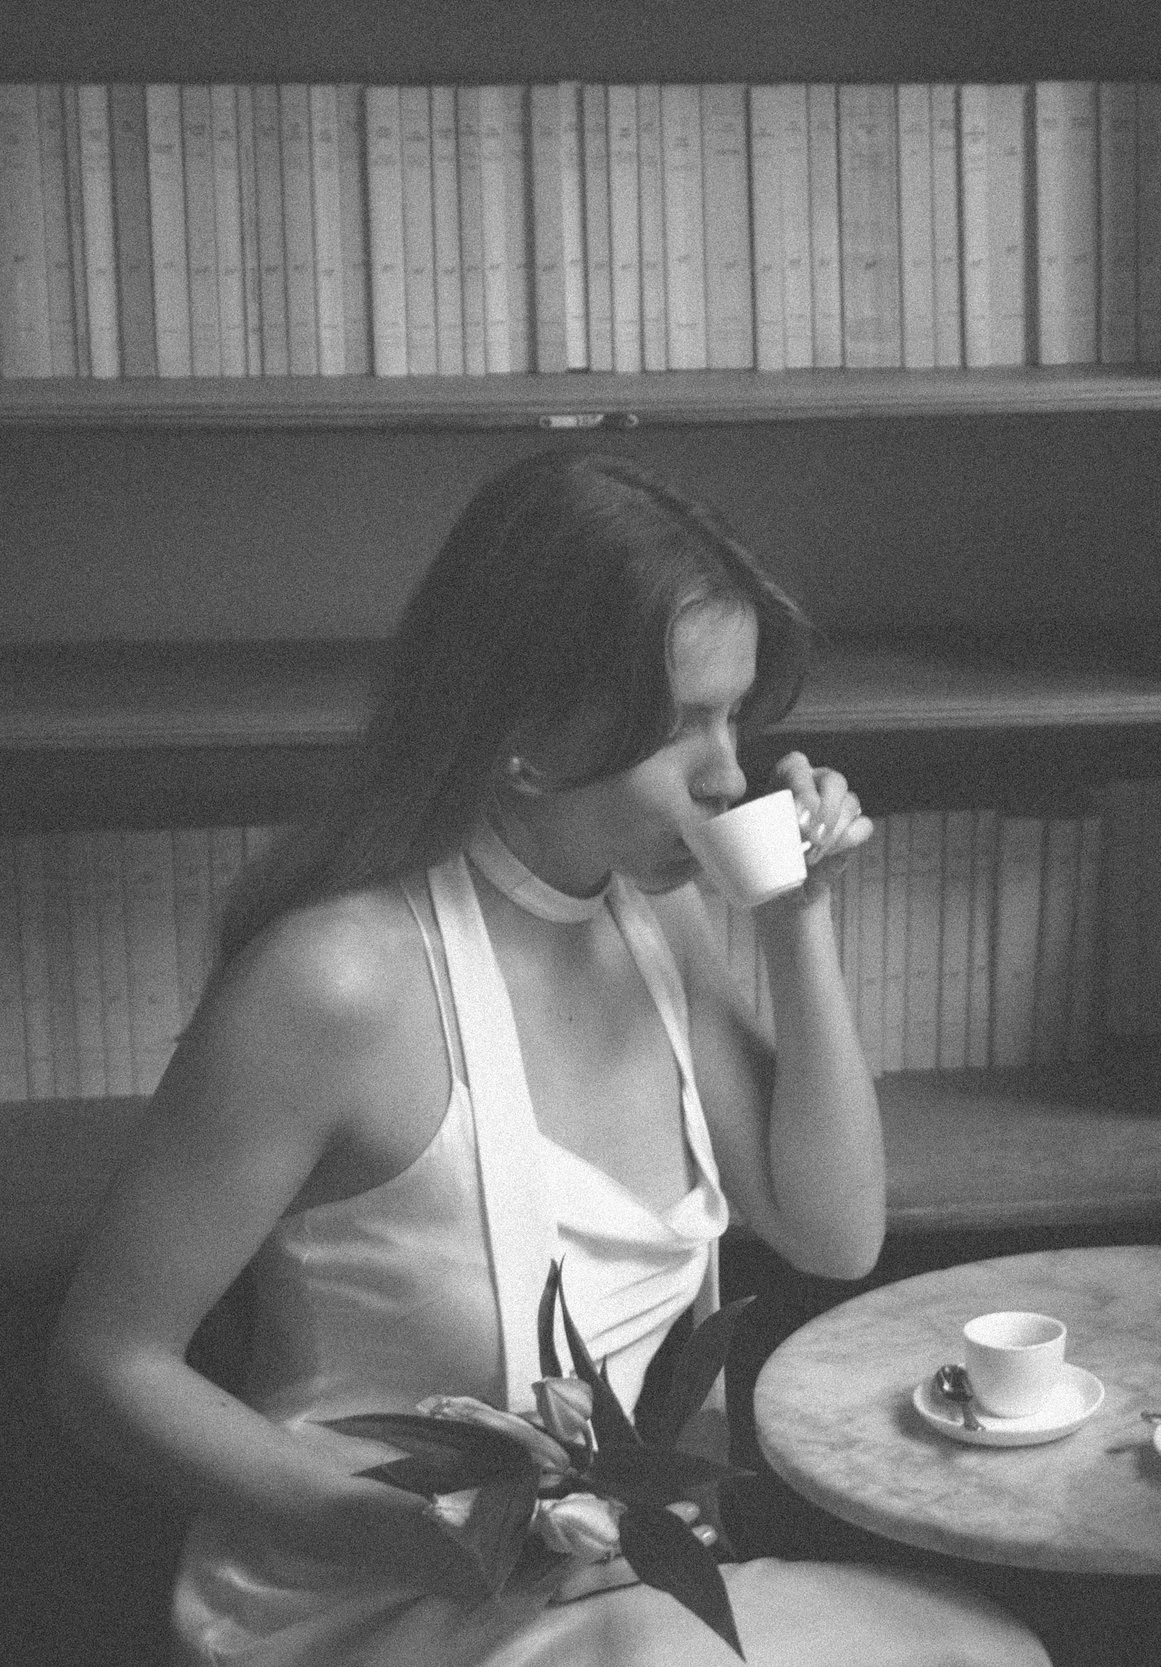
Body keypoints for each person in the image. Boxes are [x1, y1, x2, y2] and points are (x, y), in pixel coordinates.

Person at [48, 451, 1049, 1667]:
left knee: (987, 1650)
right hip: (374, 1600)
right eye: (682, 723)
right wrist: (419, 1537)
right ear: (525, 744)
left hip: (624, 1598)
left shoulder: (653, 920)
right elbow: (107, 1363)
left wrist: (799, 921)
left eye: (736, 712)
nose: (731, 770)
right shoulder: (334, 984)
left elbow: (835, 1234)